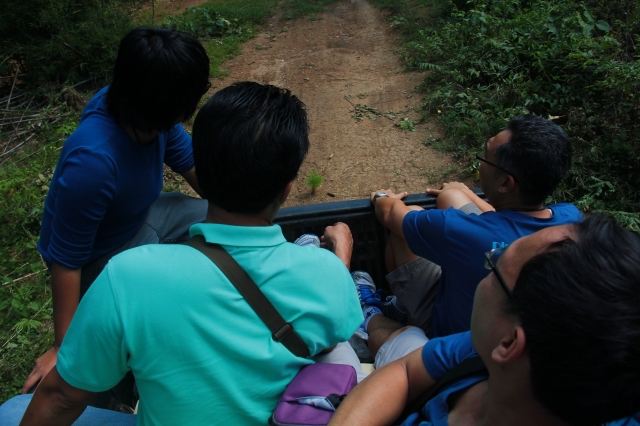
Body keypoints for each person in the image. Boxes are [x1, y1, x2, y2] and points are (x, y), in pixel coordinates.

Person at [0, 82, 364, 425]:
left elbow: (62, 397)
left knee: (13, 411)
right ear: (286, 189)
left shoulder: (127, 276)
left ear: (200, 167)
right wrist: (340, 256)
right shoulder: (327, 274)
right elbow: (334, 333)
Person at [25, 27, 211, 393]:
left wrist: (240, 215)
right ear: (173, 103)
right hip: (96, 260)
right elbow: (66, 260)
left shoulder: (144, 113)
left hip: (137, 220)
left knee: (214, 218)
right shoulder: (93, 162)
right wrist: (65, 346)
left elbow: (192, 165)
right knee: (162, 291)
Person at [329, 214, 640, 426]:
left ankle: (361, 310)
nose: (491, 262)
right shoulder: (515, 351)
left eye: (498, 261)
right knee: (407, 336)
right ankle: (371, 314)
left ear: (510, 343)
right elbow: (407, 371)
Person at [359, 115, 581, 358]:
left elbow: (389, 214)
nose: (481, 164)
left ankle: (381, 313)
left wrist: (382, 197)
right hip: (504, 328)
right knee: (450, 197)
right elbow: (508, 221)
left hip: (450, 338)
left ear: (506, 183)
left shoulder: (458, 231)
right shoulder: (571, 219)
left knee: (407, 221)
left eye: (485, 157)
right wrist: (465, 193)